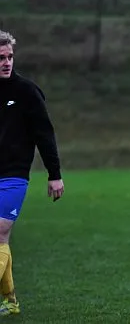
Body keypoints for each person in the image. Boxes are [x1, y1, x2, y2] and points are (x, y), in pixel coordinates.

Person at [0, 30, 65, 316]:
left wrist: (54, 173)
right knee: (1, 241)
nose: (6, 63)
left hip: (13, 176)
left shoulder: (26, 91)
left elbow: (45, 134)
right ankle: (10, 301)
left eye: (10, 57)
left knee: (0, 232)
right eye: (1, 58)